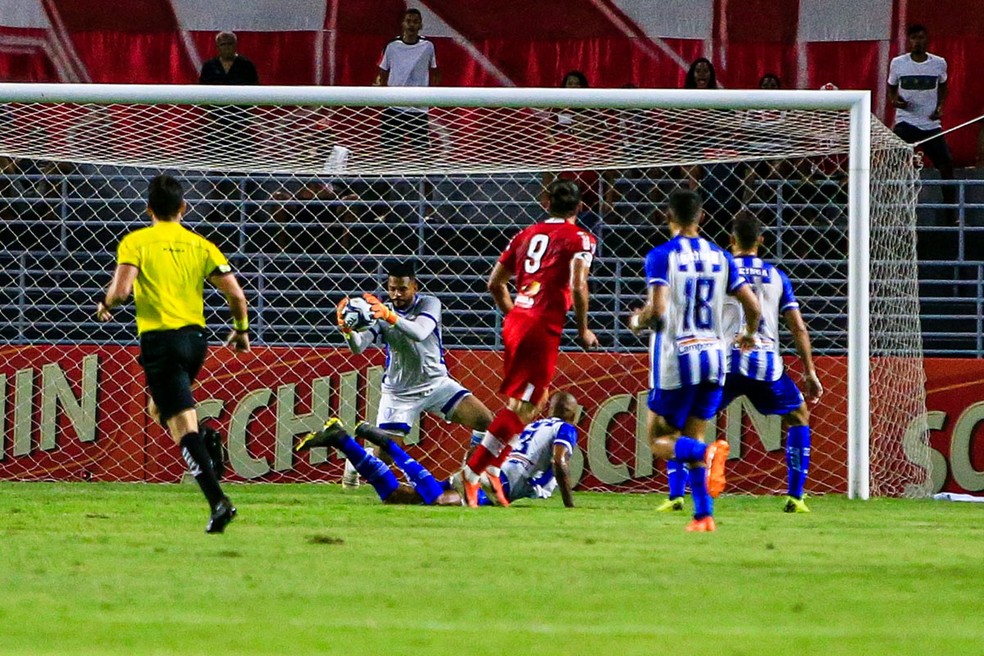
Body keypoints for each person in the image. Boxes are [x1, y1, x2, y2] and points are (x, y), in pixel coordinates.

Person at [95, 174, 250, 533]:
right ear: (184, 208)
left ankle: (218, 502)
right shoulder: (202, 245)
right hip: (195, 341)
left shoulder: (137, 242)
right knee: (159, 408)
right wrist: (241, 331)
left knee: (181, 426)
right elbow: (237, 296)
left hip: (161, 342)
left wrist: (105, 303)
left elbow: (121, 291)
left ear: (148, 209)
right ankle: (207, 438)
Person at [656, 215, 823, 514]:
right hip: (766, 365)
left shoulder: (719, 269)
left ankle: (676, 495)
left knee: (685, 425)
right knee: (798, 416)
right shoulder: (777, 276)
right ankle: (796, 496)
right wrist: (809, 371)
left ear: (731, 240)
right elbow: (798, 328)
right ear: (761, 240)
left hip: (724, 362)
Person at [460, 179, 598, 507]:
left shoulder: (525, 235)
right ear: (580, 208)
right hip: (540, 325)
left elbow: (494, 283)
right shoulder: (581, 238)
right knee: (524, 408)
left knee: (529, 401)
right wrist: (583, 329)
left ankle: (494, 467)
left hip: (519, 319)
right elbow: (579, 286)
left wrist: (516, 316)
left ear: (545, 201)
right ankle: (472, 472)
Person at [630, 189, 760, 532]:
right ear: (700, 217)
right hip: (715, 359)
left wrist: (636, 321)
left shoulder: (661, 256)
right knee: (693, 438)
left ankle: (707, 456)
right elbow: (754, 306)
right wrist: (749, 333)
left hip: (677, 358)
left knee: (660, 440)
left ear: (667, 216)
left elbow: (657, 311)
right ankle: (703, 515)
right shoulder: (721, 257)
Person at [333, 259, 494, 488]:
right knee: (385, 457)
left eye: (402, 288)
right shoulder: (380, 313)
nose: (397, 294)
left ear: (414, 287)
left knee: (485, 421)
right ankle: (353, 461)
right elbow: (359, 347)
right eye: (392, 289)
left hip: (437, 384)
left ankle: (471, 474)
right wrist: (347, 331)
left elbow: (420, 332)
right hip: (400, 393)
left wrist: (389, 316)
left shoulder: (430, 303)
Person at [294, 390, 580, 508]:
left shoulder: (529, 426)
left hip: (486, 472)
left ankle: (341, 439)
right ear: (574, 415)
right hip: (498, 483)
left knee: (397, 497)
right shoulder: (565, 429)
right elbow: (559, 462)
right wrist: (570, 506)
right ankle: (389, 446)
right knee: (438, 501)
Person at [887, 24, 955, 222]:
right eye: (914, 38)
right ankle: (890, 211)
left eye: (921, 37)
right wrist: (895, 101)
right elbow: (891, 88)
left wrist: (940, 106)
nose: (918, 41)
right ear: (909, 41)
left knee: (946, 165)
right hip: (906, 122)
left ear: (927, 40)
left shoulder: (938, 63)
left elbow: (943, 86)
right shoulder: (898, 63)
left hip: (930, 125)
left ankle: (950, 213)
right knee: (892, 163)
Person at [543, 70, 616, 253]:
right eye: (570, 83)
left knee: (587, 243)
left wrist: (609, 199)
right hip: (564, 204)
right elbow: (549, 169)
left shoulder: (598, 146)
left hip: (590, 205)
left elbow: (609, 176)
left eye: (577, 83)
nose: (573, 86)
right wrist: (545, 195)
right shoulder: (563, 142)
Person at [376, 8, 440, 154]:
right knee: (388, 153)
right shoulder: (392, 46)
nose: (411, 25)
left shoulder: (428, 47)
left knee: (422, 154)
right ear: (403, 24)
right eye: (408, 21)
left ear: (420, 25)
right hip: (394, 108)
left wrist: (430, 95)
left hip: (418, 109)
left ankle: (423, 177)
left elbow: (436, 72)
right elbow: (382, 72)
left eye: (415, 22)